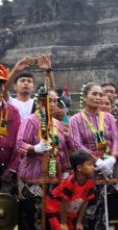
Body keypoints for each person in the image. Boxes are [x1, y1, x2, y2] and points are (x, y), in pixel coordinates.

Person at [69, 82, 118, 230]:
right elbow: (76, 144)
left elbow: (116, 138)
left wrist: (113, 158)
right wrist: (97, 161)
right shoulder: (76, 119)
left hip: (110, 170)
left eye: (100, 94)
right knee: (89, 214)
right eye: (94, 94)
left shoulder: (109, 117)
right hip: (88, 171)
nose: (98, 97)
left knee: (112, 215)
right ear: (85, 97)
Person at [17, 86, 70, 230]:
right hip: (32, 179)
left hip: (53, 176)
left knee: (50, 220)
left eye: (55, 101)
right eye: (49, 101)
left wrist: (65, 172)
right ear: (40, 103)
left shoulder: (57, 124)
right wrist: (34, 148)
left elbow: (63, 150)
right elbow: (19, 144)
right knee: (32, 219)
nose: (53, 105)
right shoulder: (30, 121)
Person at [44, 150, 96, 230]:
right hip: (54, 207)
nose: (93, 167)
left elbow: (85, 202)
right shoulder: (70, 182)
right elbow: (63, 203)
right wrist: (63, 223)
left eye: (93, 164)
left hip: (69, 209)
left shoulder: (90, 182)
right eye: (89, 165)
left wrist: (79, 222)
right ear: (79, 168)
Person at [0, 63, 20, 193]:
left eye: (0, 84)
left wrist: (12, 168)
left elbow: (19, 141)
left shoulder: (12, 111)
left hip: (6, 171)